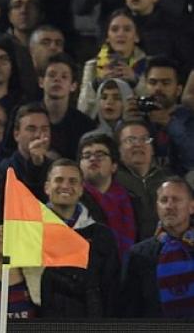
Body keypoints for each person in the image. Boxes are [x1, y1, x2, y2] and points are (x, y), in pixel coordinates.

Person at [40, 158, 120, 317]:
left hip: (90, 329)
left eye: (73, 181)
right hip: (41, 329)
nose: (65, 186)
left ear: (81, 189)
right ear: (47, 187)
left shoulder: (102, 235)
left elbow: (111, 290)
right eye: (59, 180)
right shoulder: (31, 231)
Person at [121, 178, 194, 318]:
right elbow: (130, 310)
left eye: (176, 200)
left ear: (191, 207)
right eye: (164, 200)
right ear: (157, 206)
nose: (169, 206)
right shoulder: (138, 255)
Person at [77, 132, 139, 261]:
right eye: (87, 155)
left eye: (100, 155)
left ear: (114, 166)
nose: (93, 159)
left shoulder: (132, 201)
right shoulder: (75, 202)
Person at [76, 10, 147, 119]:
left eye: (127, 29)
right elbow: (82, 110)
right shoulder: (92, 66)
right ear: (107, 37)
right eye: (114, 29)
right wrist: (97, 83)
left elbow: (154, 110)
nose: (120, 34)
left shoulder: (148, 65)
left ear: (137, 36)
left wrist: (135, 81)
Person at [114, 119, 170, 239]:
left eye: (144, 139)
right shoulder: (111, 181)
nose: (138, 144)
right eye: (130, 140)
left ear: (153, 149)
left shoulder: (168, 181)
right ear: (118, 149)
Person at [42, 54, 96, 160]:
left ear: (73, 86)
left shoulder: (85, 125)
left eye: (64, 77)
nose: (57, 79)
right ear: (41, 81)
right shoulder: (26, 117)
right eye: (52, 75)